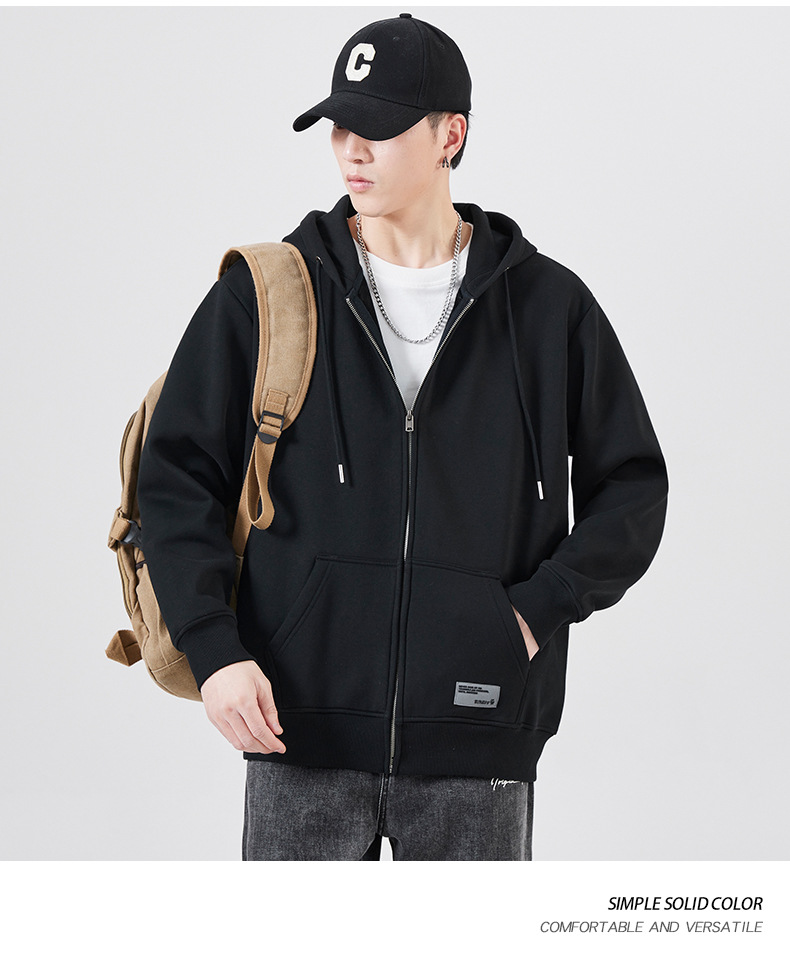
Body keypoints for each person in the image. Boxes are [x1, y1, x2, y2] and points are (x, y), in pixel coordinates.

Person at [137, 13, 669, 861]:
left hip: (479, 738)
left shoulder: (548, 309)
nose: (351, 150)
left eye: (378, 128)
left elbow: (633, 488)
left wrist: (531, 614)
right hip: (295, 733)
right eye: (338, 126)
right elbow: (174, 481)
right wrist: (213, 649)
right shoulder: (270, 295)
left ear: (450, 135)